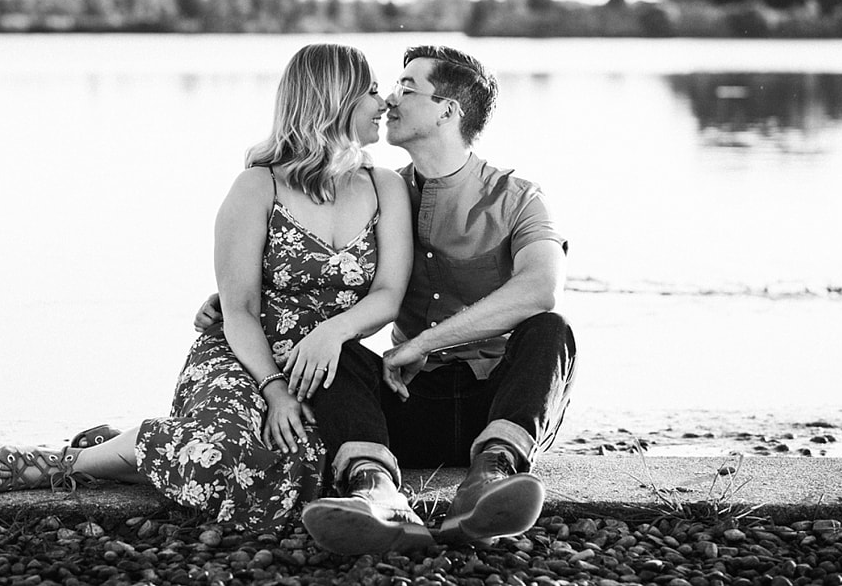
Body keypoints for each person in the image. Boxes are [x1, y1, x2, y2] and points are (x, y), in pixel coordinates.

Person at [0, 43, 414, 534]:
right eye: (373, 92)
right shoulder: (257, 187)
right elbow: (239, 308)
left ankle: (127, 445)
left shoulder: (386, 186)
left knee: (302, 462)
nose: (384, 104)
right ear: (334, 97)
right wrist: (273, 390)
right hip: (241, 354)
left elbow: (387, 295)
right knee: (218, 453)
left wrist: (331, 333)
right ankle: (68, 464)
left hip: (324, 368)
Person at [196, 44, 577, 554]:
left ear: (448, 110)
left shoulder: (520, 198)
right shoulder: (379, 193)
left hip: (497, 403)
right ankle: (375, 492)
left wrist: (424, 342)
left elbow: (540, 288)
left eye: (408, 88)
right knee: (329, 348)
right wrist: (231, 298)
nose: (390, 100)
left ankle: (491, 478)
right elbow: (320, 274)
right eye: (390, 88)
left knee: (551, 330)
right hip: (407, 401)